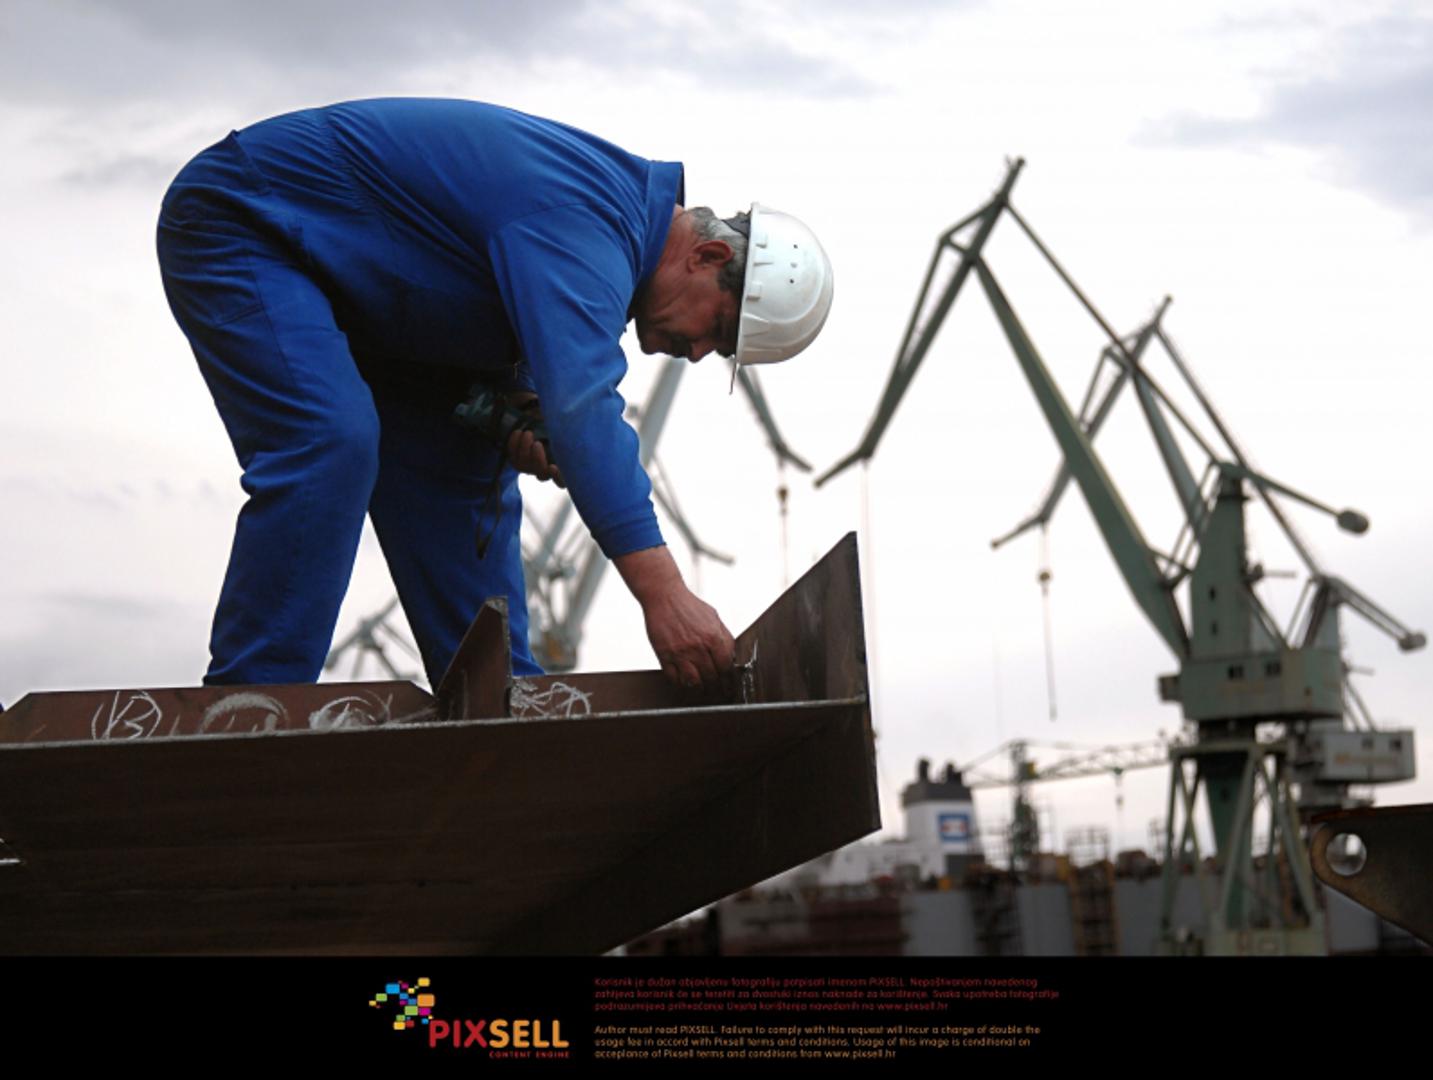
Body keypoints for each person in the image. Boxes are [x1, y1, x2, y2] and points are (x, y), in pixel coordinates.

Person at [156, 98, 833, 693]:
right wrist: (665, 596)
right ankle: (252, 713)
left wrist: (517, 401)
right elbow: (583, 409)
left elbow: (527, 355)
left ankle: (501, 726)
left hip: (378, 314)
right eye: (718, 331)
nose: (698, 352)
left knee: (463, 482)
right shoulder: (591, 219)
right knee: (330, 442)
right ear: (708, 258)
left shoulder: (599, 236)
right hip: (251, 222)